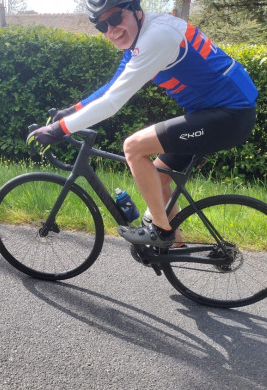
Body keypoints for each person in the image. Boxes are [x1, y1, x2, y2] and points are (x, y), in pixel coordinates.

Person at [27, 0, 258, 247]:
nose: (111, 30)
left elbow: (112, 102)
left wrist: (57, 130)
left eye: (115, 18)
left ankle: (160, 231)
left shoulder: (157, 37)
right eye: (102, 26)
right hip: (215, 113)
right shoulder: (143, 35)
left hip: (230, 116)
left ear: (136, 11)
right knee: (158, 178)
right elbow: (113, 87)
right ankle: (173, 246)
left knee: (133, 147)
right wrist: (71, 111)